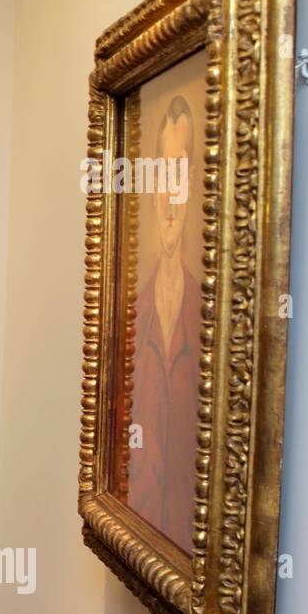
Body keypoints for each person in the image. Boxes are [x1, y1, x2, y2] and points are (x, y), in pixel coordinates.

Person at [128, 96, 199, 554]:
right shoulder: (130, 315)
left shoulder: (207, 313)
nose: (171, 198)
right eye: (163, 176)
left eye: (182, 174)